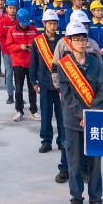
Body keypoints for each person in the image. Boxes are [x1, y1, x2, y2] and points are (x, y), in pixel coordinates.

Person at [56, 18, 103, 204]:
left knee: (95, 162)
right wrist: (82, 114)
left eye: (83, 39)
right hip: (73, 121)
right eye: (76, 39)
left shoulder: (95, 62)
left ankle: (96, 200)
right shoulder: (64, 65)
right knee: (74, 163)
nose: (80, 42)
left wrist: (91, 112)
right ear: (69, 42)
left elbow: (102, 89)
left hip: (93, 119)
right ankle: (76, 199)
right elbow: (66, 95)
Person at [30, 9, 69, 182]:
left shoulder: (63, 41)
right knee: (45, 115)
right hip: (45, 84)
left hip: (60, 85)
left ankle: (61, 140)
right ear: (44, 24)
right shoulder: (38, 42)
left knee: (62, 116)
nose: (52, 26)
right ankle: (46, 141)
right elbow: (33, 63)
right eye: (50, 23)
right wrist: (33, 81)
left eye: (54, 23)